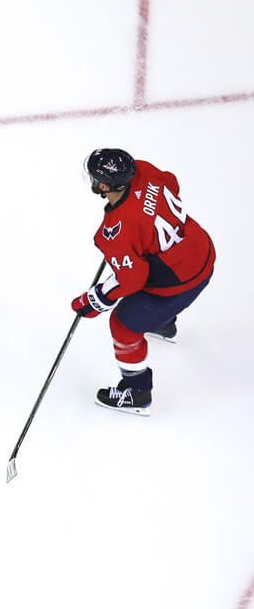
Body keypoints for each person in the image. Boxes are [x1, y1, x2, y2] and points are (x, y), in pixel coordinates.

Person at [71, 148, 215, 414]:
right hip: (201, 250)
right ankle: (163, 324)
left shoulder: (115, 233)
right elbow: (171, 182)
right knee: (151, 304)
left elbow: (131, 279)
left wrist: (93, 300)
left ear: (103, 185)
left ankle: (136, 391)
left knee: (123, 324)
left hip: (179, 281)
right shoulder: (144, 170)